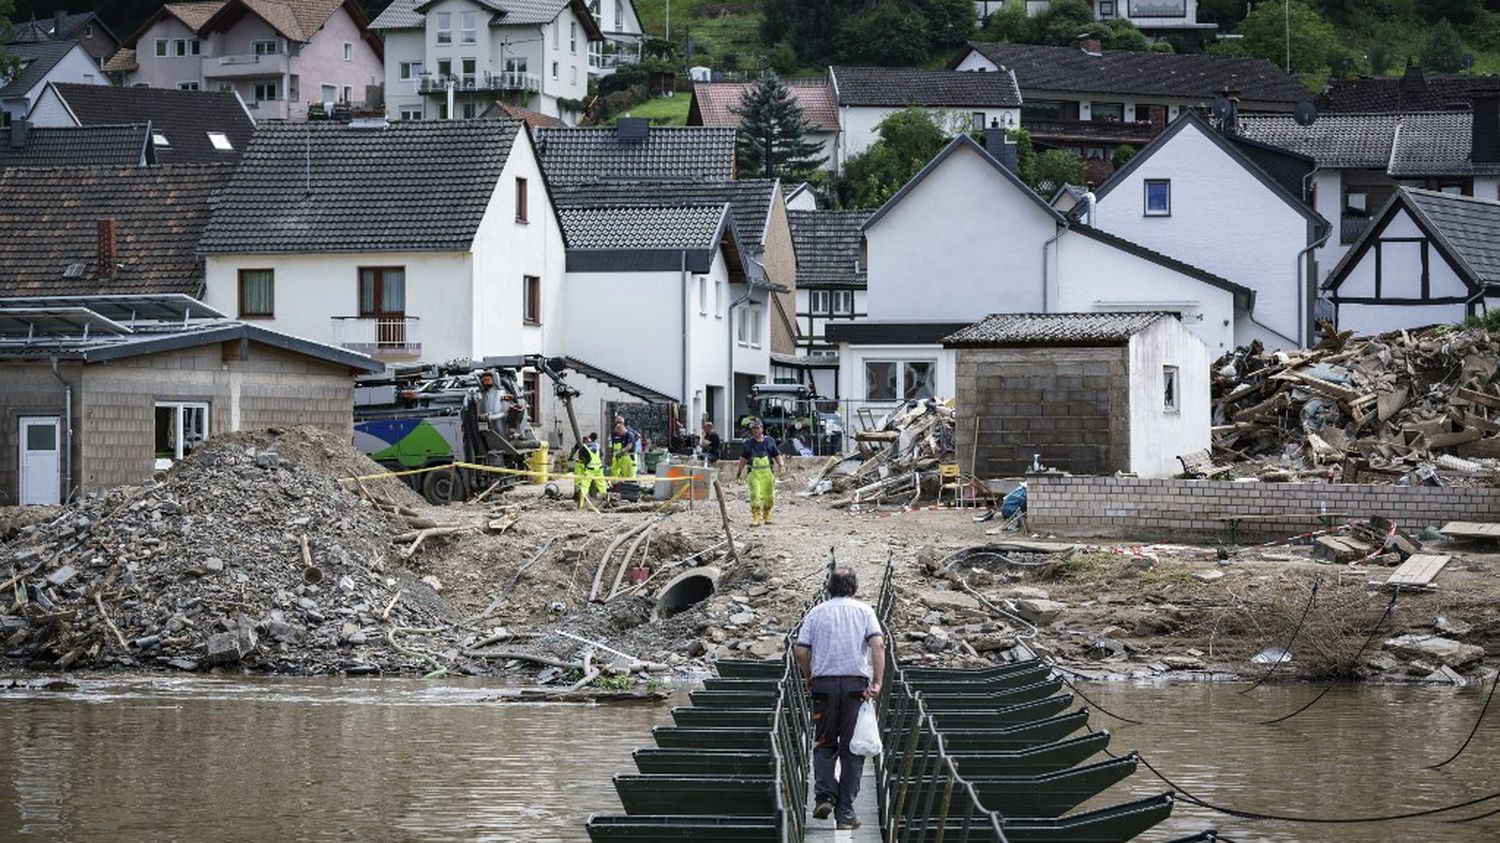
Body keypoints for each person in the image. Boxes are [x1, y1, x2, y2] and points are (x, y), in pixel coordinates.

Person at [793, 567, 885, 831]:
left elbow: (800, 651)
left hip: (823, 686)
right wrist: (877, 682)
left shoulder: (816, 613)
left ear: (829, 588)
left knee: (824, 743)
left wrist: (809, 676)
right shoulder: (864, 611)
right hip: (856, 687)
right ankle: (845, 813)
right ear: (853, 587)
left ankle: (824, 796)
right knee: (853, 749)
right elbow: (878, 645)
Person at [734, 419, 785, 526]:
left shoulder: (770, 441)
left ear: (762, 428)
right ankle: (756, 517)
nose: (755, 431)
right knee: (755, 495)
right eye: (753, 429)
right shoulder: (748, 444)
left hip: (767, 473)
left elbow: (776, 454)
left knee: (769, 496)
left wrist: (781, 465)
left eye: (757, 428)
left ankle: (767, 514)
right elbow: (743, 459)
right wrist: (738, 472)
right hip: (754, 474)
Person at [572, 432, 605, 507]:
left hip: (590, 468)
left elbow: (581, 458)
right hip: (599, 468)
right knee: (601, 483)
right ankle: (605, 498)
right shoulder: (597, 445)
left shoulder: (584, 447)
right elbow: (601, 455)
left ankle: (581, 501)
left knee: (585, 484)